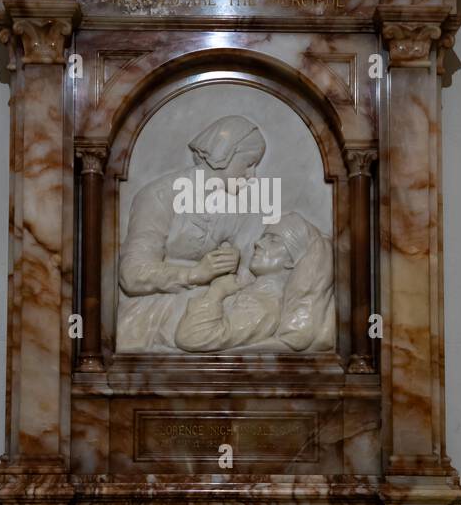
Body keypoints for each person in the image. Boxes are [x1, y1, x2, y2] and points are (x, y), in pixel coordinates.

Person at [117, 115, 268, 351]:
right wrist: (195, 273)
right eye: (248, 163)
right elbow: (131, 273)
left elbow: (251, 268)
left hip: (209, 301)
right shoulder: (160, 196)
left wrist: (237, 263)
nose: (252, 176)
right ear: (223, 155)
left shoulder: (239, 204)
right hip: (157, 308)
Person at [173, 212, 335, 353]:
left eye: (273, 241)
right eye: (264, 237)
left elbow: (192, 337)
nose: (258, 243)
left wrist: (216, 292)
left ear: (291, 261)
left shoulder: (262, 307)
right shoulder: (254, 293)